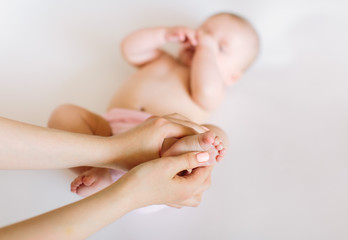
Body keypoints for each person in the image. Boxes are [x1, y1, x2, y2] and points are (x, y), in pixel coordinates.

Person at [48, 12, 259, 196]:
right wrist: (165, 34)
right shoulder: (162, 59)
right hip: (108, 134)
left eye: (220, 47)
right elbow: (129, 48)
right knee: (64, 114)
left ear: (232, 77)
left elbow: (206, 91)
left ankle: (182, 152)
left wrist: (205, 49)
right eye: (203, 31)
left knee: (215, 135)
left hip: (162, 146)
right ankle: (98, 170)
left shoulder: (211, 87)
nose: (204, 40)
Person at [0, 115, 213, 239]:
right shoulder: (166, 57)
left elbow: (207, 91)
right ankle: (104, 172)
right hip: (133, 146)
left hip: (133, 140)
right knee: (64, 114)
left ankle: (105, 167)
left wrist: (115, 150)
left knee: (213, 131)